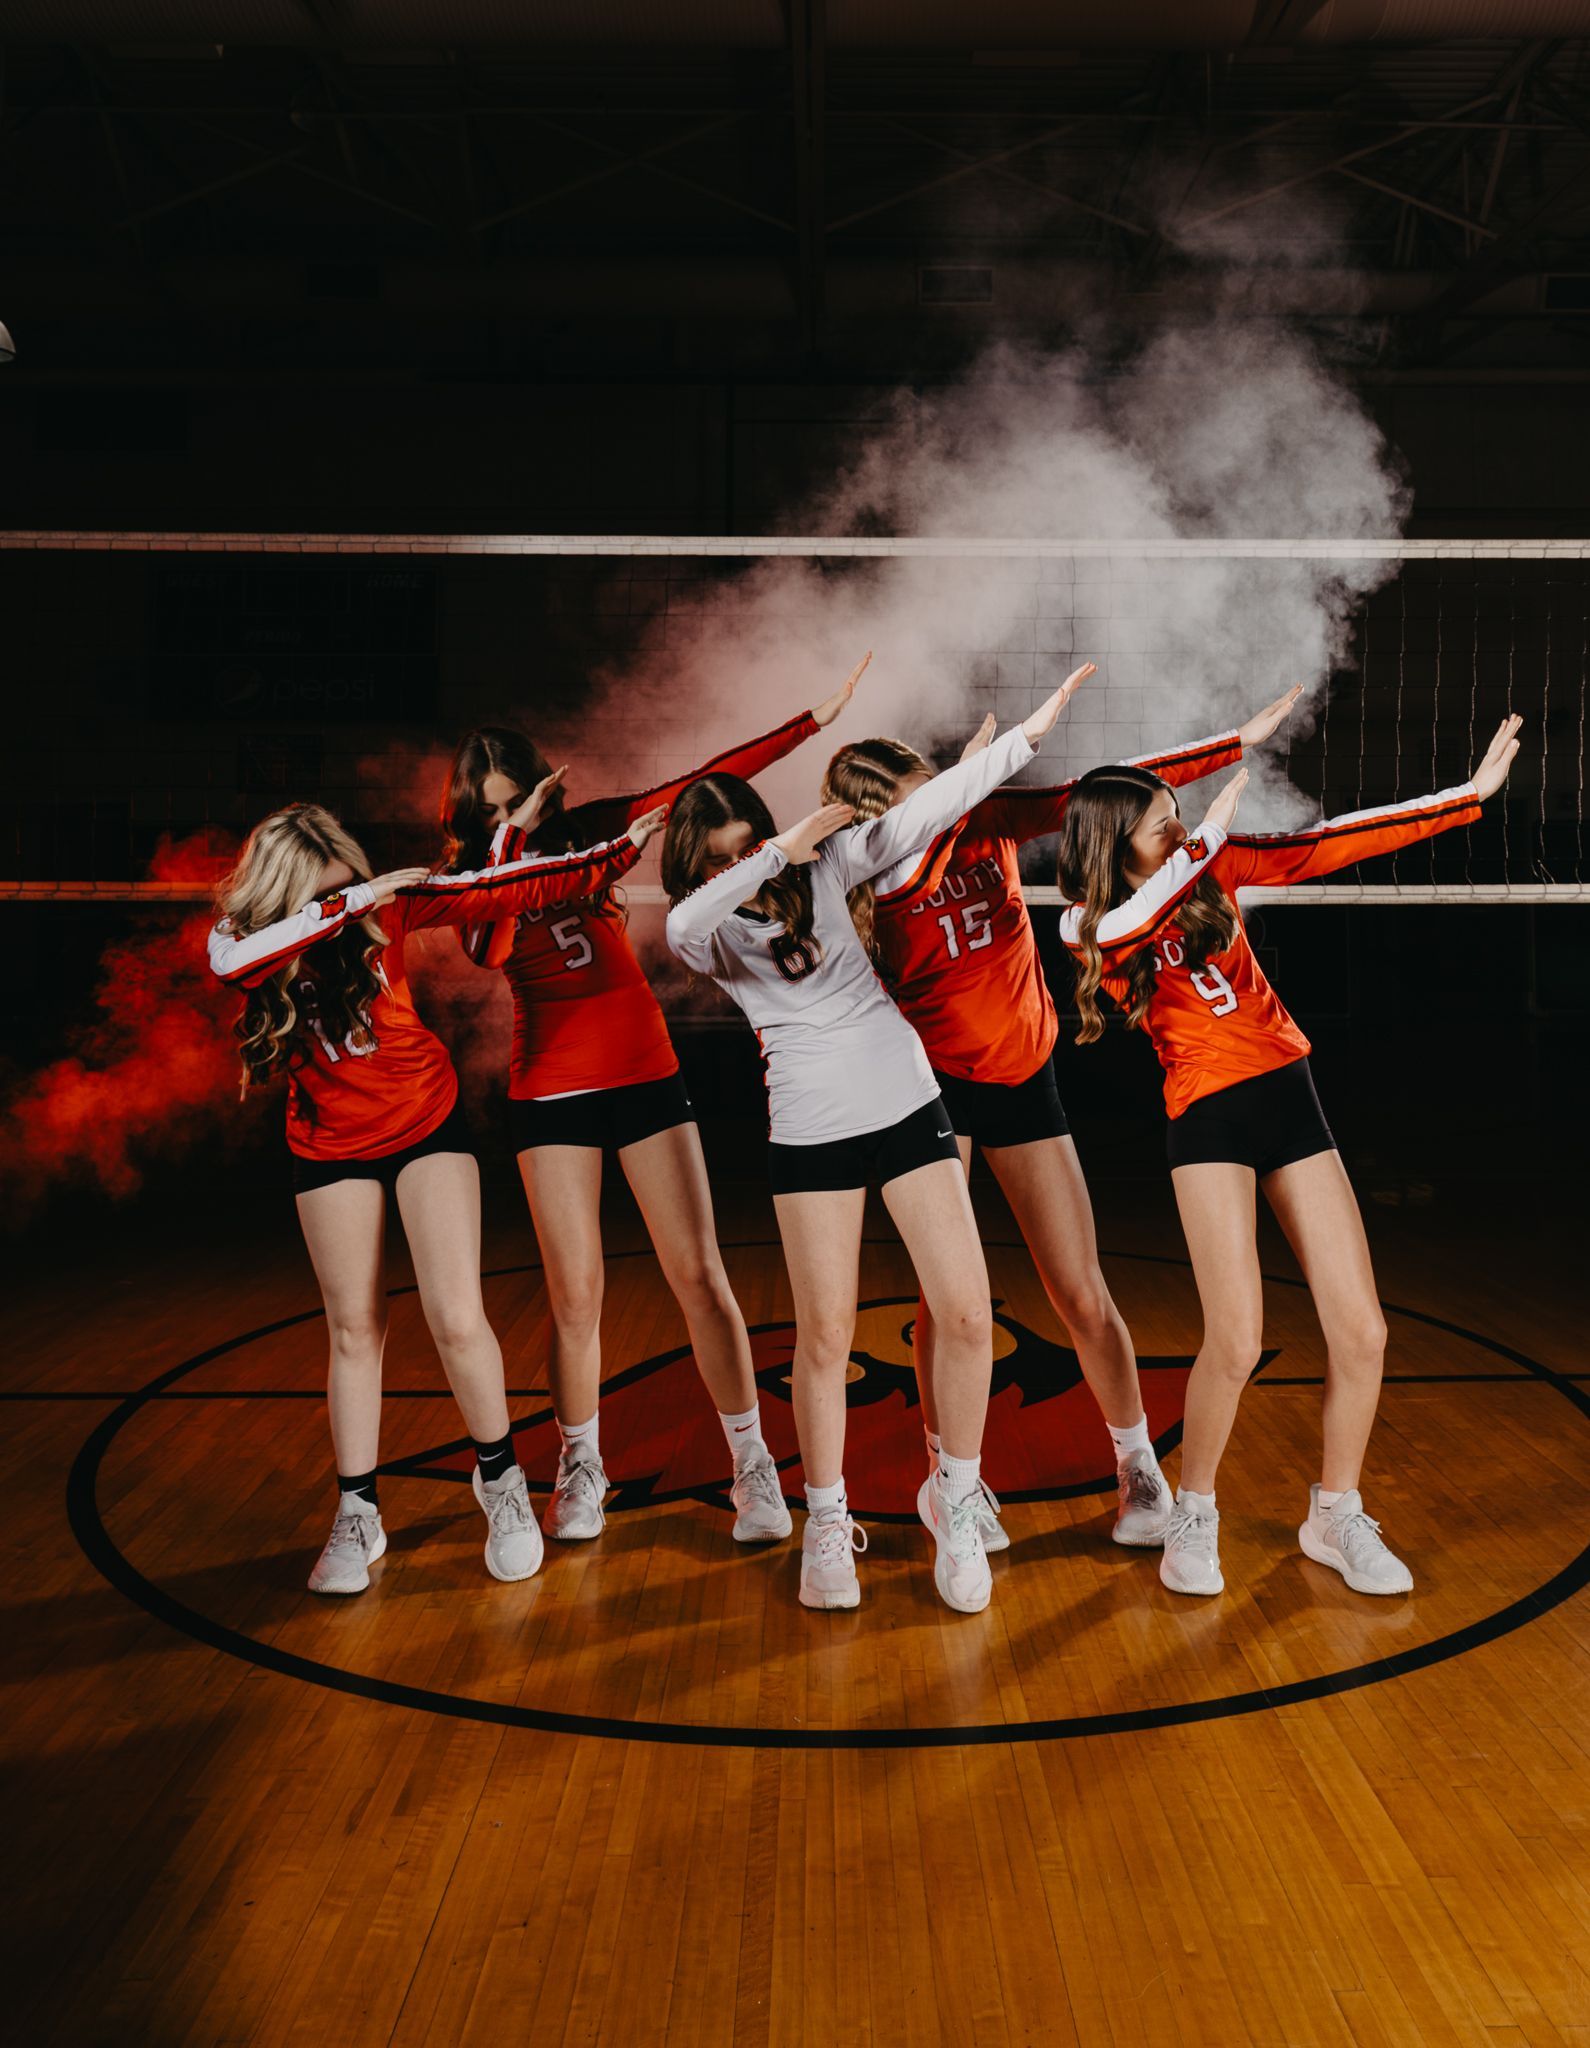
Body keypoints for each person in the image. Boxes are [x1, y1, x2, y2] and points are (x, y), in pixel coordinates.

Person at [819, 687, 1302, 1553]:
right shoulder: (873, 865)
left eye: (935, 789)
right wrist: (955, 791)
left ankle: (1135, 1465)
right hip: (931, 1087)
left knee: (1081, 1290)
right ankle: (947, 1476)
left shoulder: (988, 814)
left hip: (1023, 1074)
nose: (934, 805)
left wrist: (1231, 742)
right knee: (946, 1301)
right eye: (913, 800)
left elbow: (1102, 791)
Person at [1056, 714, 1523, 1597]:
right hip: (1206, 1123)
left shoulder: (1211, 867)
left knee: (1364, 1329)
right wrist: (1201, 850)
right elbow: (1128, 930)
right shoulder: (1090, 925)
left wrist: (1465, 800)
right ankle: (1194, 1512)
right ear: (1115, 840)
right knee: (1236, 1340)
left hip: (1287, 1096)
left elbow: (1328, 844)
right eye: (1161, 821)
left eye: (1179, 815)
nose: (1182, 827)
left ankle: (1334, 1512)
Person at [662, 664, 1090, 1614]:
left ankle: (958, 1494)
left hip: (904, 1099)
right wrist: (773, 857)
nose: (754, 859)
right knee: (824, 1338)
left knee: (970, 1313)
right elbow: (686, 917)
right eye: (729, 854)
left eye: (756, 839)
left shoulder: (828, 864)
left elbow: (921, 815)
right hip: (810, 1129)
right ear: (708, 865)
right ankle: (824, 1520)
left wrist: (1025, 737)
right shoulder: (714, 931)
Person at [438, 659, 869, 1546]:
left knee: (700, 1275)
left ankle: (753, 1466)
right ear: (473, 811)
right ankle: (581, 1463)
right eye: (491, 805)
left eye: (517, 797)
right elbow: (485, 951)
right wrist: (507, 842)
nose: (509, 811)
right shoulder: (471, 875)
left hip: (643, 1068)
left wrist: (808, 723)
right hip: (550, 1084)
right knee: (577, 1294)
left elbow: (695, 783)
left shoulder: (594, 828)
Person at [208, 795, 661, 1594]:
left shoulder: (393, 905)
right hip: (329, 1139)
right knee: (354, 1329)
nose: (347, 909)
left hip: (425, 1116)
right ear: (282, 894)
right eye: (321, 896)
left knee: (456, 1315)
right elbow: (229, 966)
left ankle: (503, 1485)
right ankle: (358, 1513)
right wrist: (353, 900)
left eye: (348, 886)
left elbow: (508, 887)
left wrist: (616, 853)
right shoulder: (245, 941)